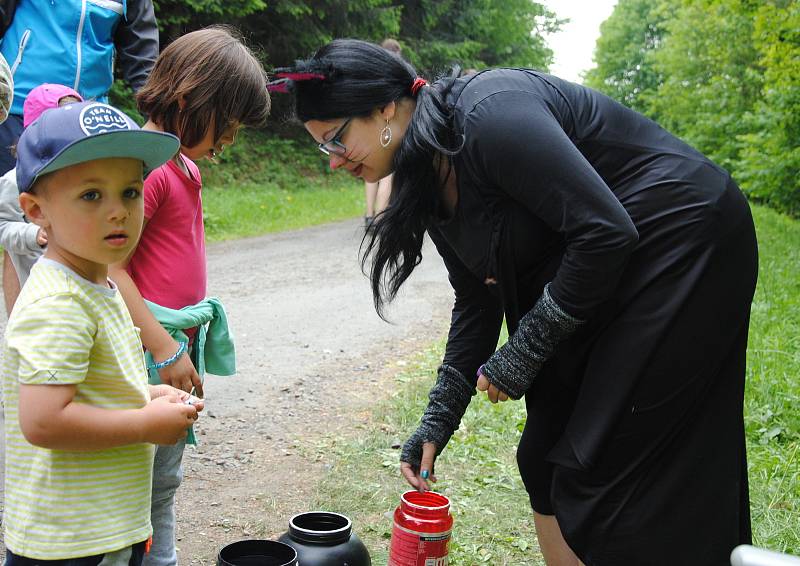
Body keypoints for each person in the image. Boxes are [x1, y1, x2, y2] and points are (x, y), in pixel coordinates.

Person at [272, 39, 758, 565]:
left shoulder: (489, 115)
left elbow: (605, 232)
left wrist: (523, 352)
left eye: (336, 139)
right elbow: (477, 302)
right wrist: (440, 418)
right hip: (610, 267)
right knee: (543, 456)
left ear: (385, 109)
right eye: (323, 146)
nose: (333, 161)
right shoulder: (427, 172)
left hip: (684, 244)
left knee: (609, 459)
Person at [3, 100, 203, 563]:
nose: (118, 211)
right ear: (36, 210)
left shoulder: (96, 282)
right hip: (71, 539)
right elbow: (44, 419)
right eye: (92, 195)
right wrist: (142, 424)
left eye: (130, 192)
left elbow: (90, 387)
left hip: (103, 525)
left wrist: (146, 396)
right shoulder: (59, 302)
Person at [107, 26, 271, 566]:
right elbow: (112, 266)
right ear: (190, 99)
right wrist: (164, 348)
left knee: (162, 480)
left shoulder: (185, 165)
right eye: (228, 124)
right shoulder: (147, 169)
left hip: (171, 350)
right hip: (144, 353)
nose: (230, 139)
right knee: (133, 479)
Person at [0, 0, 159, 314]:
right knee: (26, 221)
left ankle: (83, 319)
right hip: (22, 111)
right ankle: (24, 330)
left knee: (89, 220)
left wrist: (154, 113)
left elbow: (142, 52)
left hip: (86, 116)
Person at [0, 84, 83, 313]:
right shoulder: (14, 181)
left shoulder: (82, 178)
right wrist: (33, 234)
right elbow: (3, 226)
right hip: (34, 290)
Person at [363, 38, 401, 229]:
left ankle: (369, 215)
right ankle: (379, 218)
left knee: (370, 175)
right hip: (388, 128)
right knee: (387, 173)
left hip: (370, 130)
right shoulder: (396, 75)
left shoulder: (371, 73)